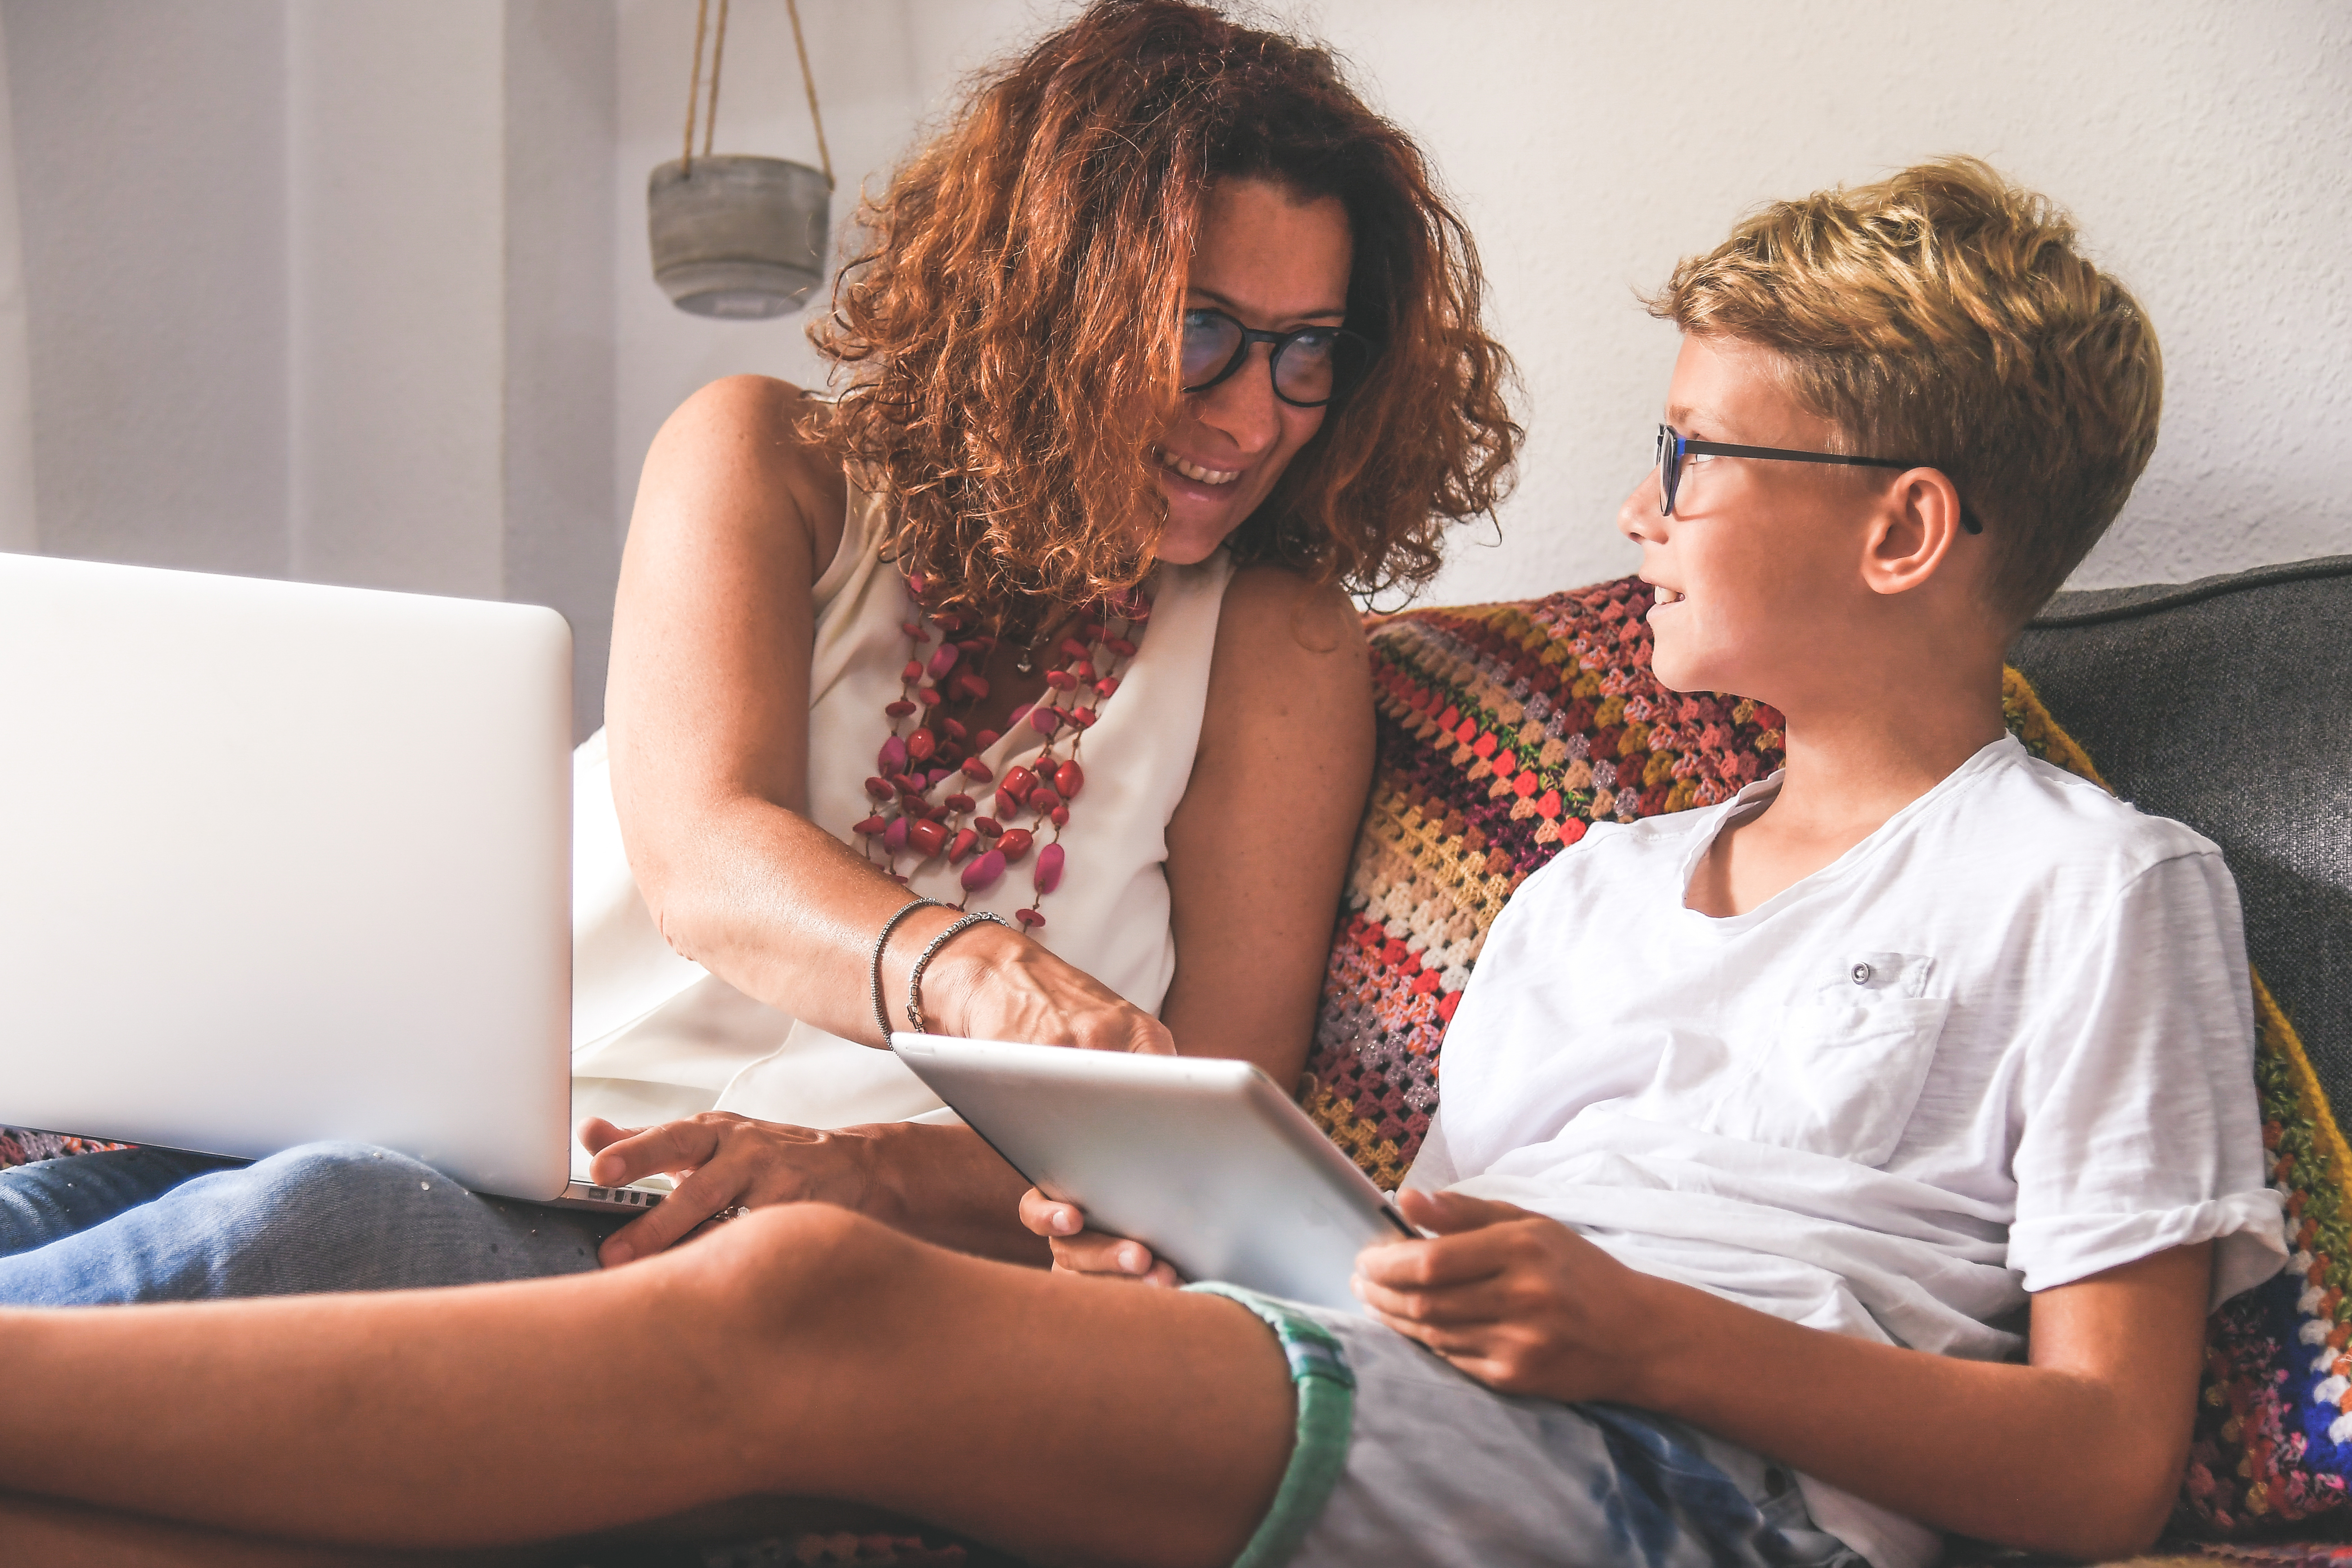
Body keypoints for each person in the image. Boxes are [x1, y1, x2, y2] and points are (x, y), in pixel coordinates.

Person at [0, 157, 2285, 1567]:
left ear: (1901, 525)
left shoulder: (2096, 886)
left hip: (1697, 1483)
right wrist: (1149, 1239)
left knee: (794, 1317)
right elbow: (1349, 1247)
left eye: (1692, 453)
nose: (1635, 506)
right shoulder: (1589, 882)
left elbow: (2097, 1466)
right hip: (1414, 1382)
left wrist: (1644, 1336)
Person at [0, 0, 1517, 1295]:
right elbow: (708, 850)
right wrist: (977, 972)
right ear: (1049, 297)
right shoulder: (767, 460)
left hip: (743, 1244)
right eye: (1197, 330)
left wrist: (864, 1175)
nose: (1252, 416)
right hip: (477, 1137)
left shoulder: (1276, 649)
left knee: (308, 1225)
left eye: (1307, 350)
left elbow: (1205, 1155)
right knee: (81, 1210)